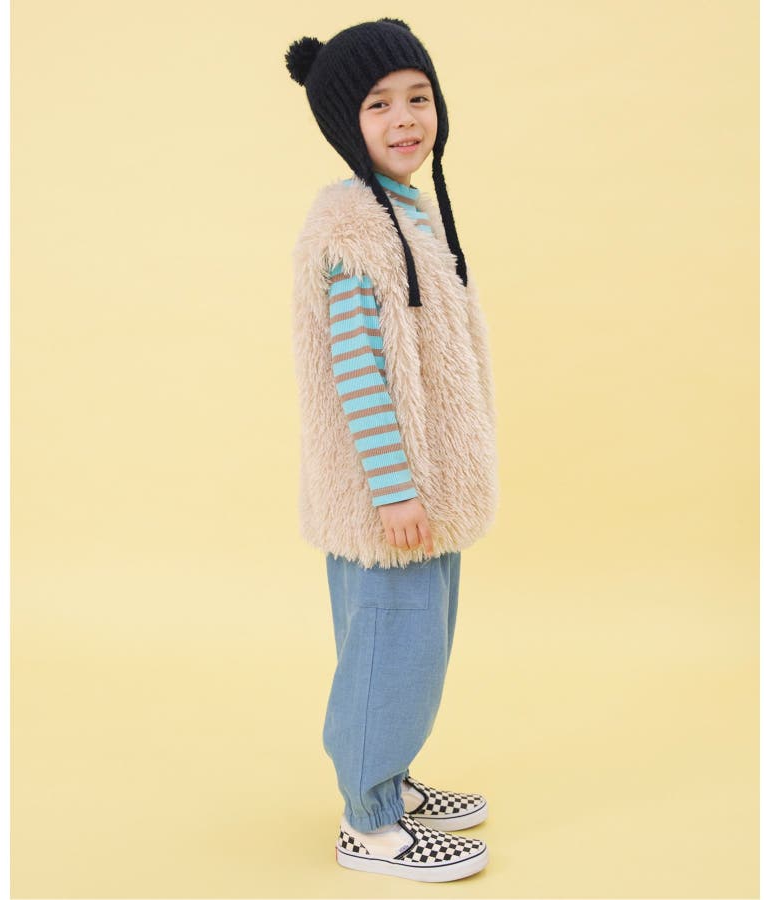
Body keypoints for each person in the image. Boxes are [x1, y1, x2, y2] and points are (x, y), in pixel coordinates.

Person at [284, 18, 499, 883]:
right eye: (379, 105)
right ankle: (369, 822)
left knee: (419, 646)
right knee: (387, 648)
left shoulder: (410, 212)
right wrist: (394, 488)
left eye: (419, 97)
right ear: (347, 123)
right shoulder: (353, 232)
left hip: (428, 489)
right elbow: (357, 372)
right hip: (391, 497)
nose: (406, 118)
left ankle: (393, 778)